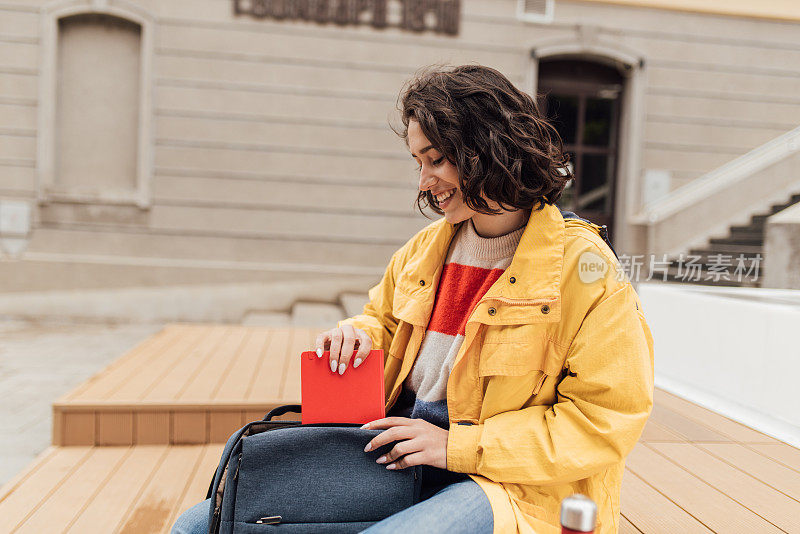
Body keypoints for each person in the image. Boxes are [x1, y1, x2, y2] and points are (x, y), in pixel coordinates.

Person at [172, 64, 654, 534]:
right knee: (198, 525)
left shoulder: (585, 270)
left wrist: (456, 446)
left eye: (436, 159)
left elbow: (604, 420)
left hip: (511, 487)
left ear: (488, 148)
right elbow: (380, 321)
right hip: (397, 458)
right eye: (418, 162)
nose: (424, 181)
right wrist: (355, 337)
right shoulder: (422, 251)